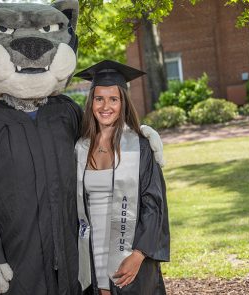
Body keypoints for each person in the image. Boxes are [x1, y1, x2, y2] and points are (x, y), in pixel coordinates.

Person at [75, 60, 170, 295]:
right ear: (91, 102)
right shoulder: (79, 148)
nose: (105, 106)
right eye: (99, 98)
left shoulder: (140, 147)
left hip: (129, 248)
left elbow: (154, 204)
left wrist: (139, 255)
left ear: (123, 103)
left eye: (113, 99)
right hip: (90, 249)